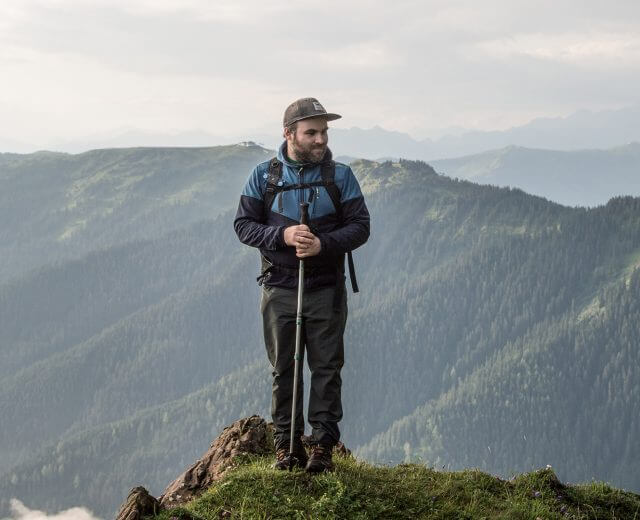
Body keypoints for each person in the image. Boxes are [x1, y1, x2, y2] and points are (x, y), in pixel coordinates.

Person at [233, 97, 370, 473]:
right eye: (312, 132)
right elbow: (243, 226)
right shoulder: (264, 177)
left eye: (324, 132)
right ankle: (286, 447)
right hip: (279, 288)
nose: (321, 139)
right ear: (289, 133)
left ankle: (322, 447)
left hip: (325, 287)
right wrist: (284, 235)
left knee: (327, 368)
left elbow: (361, 227)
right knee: (285, 369)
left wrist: (324, 244)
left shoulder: (340, 177)